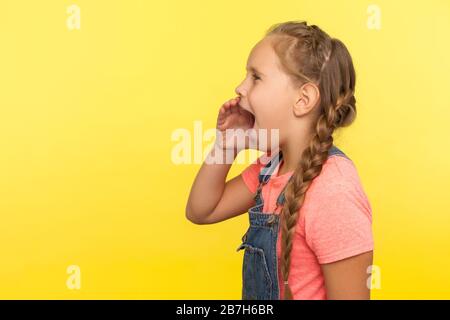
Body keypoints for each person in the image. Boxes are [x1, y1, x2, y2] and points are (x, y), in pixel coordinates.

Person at [186, 20, 374, 300]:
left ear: (303, 99)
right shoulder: (272, 167)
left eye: (256, 77)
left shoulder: (334, 192)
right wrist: (227, 145)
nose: (240, 87)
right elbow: (202, 211)